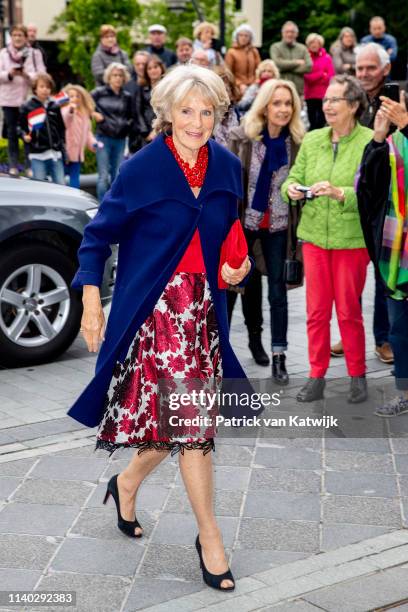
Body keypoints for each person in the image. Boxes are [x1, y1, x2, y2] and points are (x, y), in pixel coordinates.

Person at [67, 64, 253, 592]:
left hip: (203, 314)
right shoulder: (140, 168)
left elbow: (227, 240)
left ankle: (124, 482)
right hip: (156, 314)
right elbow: (96, 239)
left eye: (207, 111)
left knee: (176, 426)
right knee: (193, 427)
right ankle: (210, 538)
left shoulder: (224, 165)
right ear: (167, 113)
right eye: (187, 111)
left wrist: (235, 271)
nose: (197, 121)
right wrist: (90, 302)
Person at [282, 75, 373, 403]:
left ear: (354, 105)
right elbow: (293, 176)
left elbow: (373, 191)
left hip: (352, 241)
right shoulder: (313, 139)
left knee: (349, 311)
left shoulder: (369, 142)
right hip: (315, 239)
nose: (328, 105)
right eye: (327, 99)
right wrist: (290, 189)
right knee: (316, 312)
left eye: (336, 100)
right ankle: (316, 376)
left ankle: (357, 375)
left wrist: (340, 193)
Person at [228, 79, 304, 381]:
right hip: (244, 225)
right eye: (277, 103)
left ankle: (279, 356)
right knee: (234, 289)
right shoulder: (242, 138)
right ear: (264, 106)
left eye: (288, 104)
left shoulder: (298, 143)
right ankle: (218, 355)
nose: (283, 109)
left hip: (278, 228)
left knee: (277, 293)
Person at [331, 42, 394, 362]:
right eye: (360, 68)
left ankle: (384, 339)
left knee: (385, 275)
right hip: (357, 199)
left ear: (386, 69)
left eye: (371, 67)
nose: (365, 73)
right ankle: (348, 331)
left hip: (389, 201)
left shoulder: (397, 100)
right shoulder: (354, 102)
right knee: (352, 276)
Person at [357, 92, 408, 417]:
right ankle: (404, 392)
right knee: (399, 329)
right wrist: (378, 135)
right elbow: (367, 185)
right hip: (396, 251)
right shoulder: (393, 139)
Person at [0, 24, 44, 176]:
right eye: (15, 35)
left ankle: (29, 165)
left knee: (29, 132)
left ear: (26, 38)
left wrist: (27, 75)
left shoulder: (33, 53)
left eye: (20, 35)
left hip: (27, 99)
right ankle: (13, 165)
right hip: (8, 99)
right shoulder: (3, 53)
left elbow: (41, 74)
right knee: (11, 133)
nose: (17, 38)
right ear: (11, 37)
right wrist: (10, 74)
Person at [91, 62, 132, 201]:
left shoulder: (127, 96)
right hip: (103, 138)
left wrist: (127, 125)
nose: (118, 78)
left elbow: (131, 116)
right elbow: (84, 103)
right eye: (114, 75)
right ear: (109, 77)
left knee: (118, 174)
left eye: (120, 75)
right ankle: (101, 206)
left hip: (120, 139)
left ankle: (115, 205)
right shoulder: (98, 93)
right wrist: (94, 114)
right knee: (103, 176)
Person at [19, 72, 66, 185]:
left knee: (61, 186)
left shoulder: (54, 106)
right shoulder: (27, 106)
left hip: (55, 154)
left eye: (48, 87)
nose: (45, 90)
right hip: (37, 155)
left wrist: (61, 146)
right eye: (42, 86)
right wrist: (24, 135)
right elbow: (19, 127)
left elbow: (61, 128)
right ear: (35, 88)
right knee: (40, 186)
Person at [61, 84, 98, 188]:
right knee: (60, 179)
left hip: (77, 154)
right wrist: (71, 110)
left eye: (77, 96)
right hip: (66, 153)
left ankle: (73, 199)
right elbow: (66, 120)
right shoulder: (65, 110)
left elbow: (88, 133)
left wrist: (93, 143)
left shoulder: (84, 114)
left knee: (75, 180)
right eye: (71, 96)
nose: (75, 99)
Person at [270, 21, 312, 96]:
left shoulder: (302, 48)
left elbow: (309, 66)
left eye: (292, 32)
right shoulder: (275, 47)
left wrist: (285, 67)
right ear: (282, 33)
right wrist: (297, 62)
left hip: (298, 91)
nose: (289, 34)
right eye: (287, 32)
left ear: (296, 34)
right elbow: (277, 64)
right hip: (280, 89)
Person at [304, 33, 334, 130]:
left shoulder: (327, 57)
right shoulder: (305, 57)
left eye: (316, 42)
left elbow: (331, 75)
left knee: (322, 121)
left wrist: (316, 76)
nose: (314, 45)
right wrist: (321, 74)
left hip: (323, 94)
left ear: (320, 44)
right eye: (311, 42)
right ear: (308, 44)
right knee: (312, 121)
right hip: (310, 94)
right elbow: (307, 77)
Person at [225, 24, 261, 94]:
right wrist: (239, 84)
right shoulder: (231, 52)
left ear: (250, 38)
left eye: (246, 36)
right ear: (236, 37)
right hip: (237, 87)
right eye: (241, 35)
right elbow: (228, 73)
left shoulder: (254, 51)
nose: (243, 38)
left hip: (253, 86)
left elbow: (259, 69)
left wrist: (256, 81)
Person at [138, 55, 166, 145]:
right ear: (146, 72)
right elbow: (138, 112)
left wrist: (157, 129)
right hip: (146, 133)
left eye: (155, 67)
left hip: (164, 130)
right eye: (149, 68)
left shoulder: (168, 89)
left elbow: (169, 111)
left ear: (161, 68)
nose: (153, 70)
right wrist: (145, 132)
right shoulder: (141, 90)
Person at [212, 65, 241, 148]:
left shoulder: (240, 119)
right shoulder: (205, 120)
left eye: (226, 90)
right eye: (217, 91)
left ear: (232, 93)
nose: (221, 96)